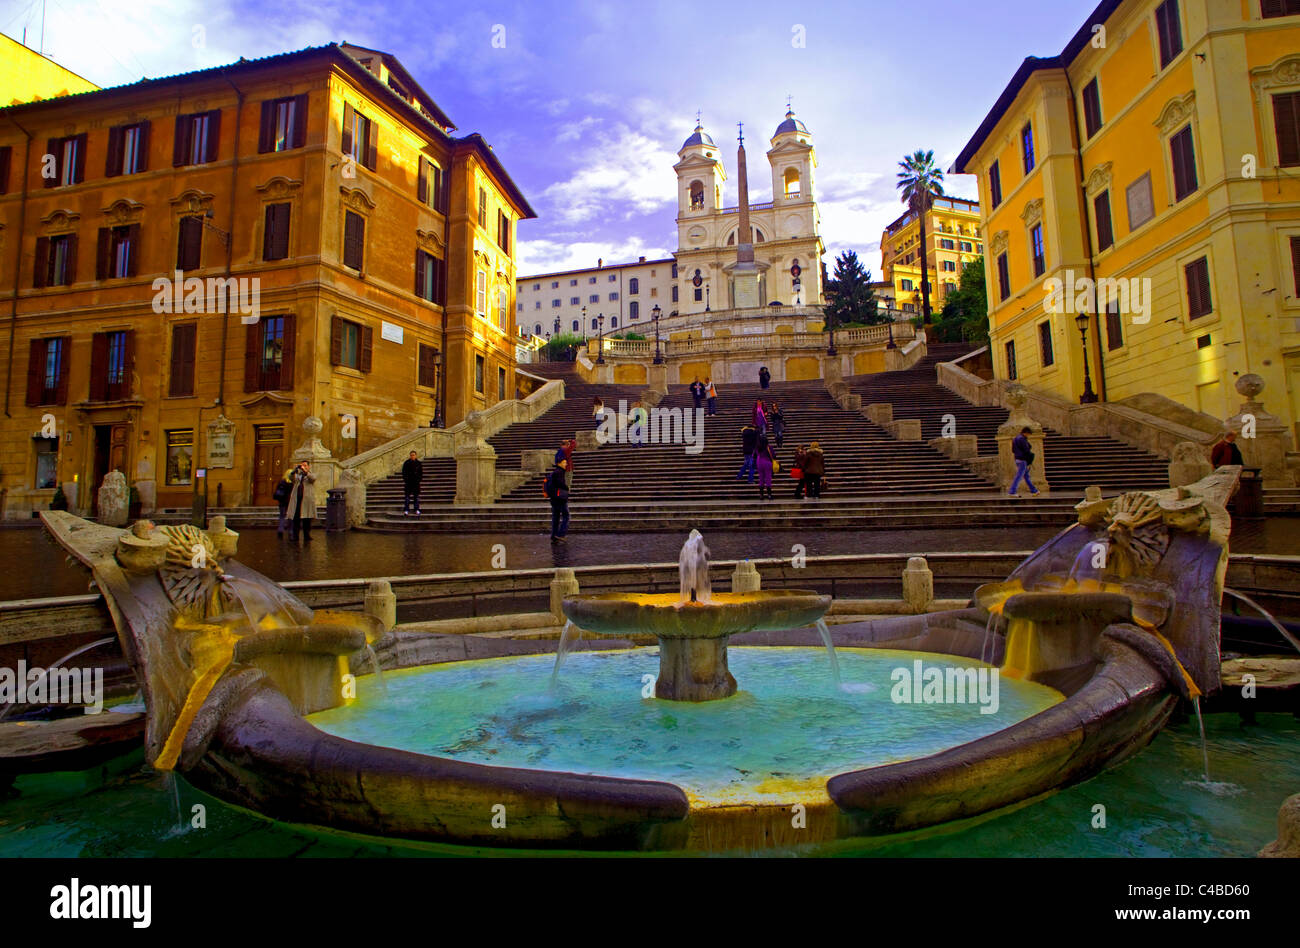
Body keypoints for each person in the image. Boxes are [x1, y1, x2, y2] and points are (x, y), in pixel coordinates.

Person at [285, 459, 317, 539]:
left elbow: (313, 479)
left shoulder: (310, 474)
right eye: (302, 465)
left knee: (307, 519)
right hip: (297, 500)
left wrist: (305, 472)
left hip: (306, 501)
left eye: (305, 465)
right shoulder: (297, 475)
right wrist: (294, 471)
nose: (303, 467)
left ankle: (307, 535)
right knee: (296, 519)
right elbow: (290, 478)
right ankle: (295, 536)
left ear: (308, 467)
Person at [1008, 427, 1041, 497]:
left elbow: (1013, 450)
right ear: (1025, 433)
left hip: (1017, 459)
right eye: (1028, 434)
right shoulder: (1022, 439)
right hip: (1022, 460)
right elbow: (1027, 450)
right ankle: (1012, 491)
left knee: (1026, 476)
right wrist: (1029, 459)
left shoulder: (1015, 439)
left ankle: (1034, 490)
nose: (1028, 436)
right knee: (1019, 476)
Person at [545, 459, 570, 543]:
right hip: (560, 498)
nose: (566, 464)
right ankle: (560, 535)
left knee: (556, 517)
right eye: (564, 462)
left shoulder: (554, 472)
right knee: (566, 516)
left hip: (554, 498)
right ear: (559, 463)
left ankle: (554, 536)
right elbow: (560, 484)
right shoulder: (559, 472)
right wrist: (567, 488)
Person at [401, 450, 423, 516]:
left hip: (416, 483)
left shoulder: (419, 463)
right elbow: (404, 472)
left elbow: (421, 473)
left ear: (416, 455)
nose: (412, 456)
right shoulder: (406, 463)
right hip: (408, 483)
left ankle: (416, 509)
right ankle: (406, 510)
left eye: (413, 455)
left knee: (416, 497)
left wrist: (418, 480)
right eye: (411, 455)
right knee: (407, 497)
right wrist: (406, 480)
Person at [755, 432, 776, 500]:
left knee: (761, 479)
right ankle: (769, 494)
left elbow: (754, 455)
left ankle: (761, 495)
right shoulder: (769, 447)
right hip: (767, 462)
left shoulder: (758, 447)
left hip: (759, 462)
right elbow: (773, 455)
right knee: (768, 478)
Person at [273, 470, 293, 536]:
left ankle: (280, 529)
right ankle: (290, 530)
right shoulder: (292, 483)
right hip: (289, 501)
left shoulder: (282, 482)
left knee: (282, 516)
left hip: (282, 501)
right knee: (290, 516)